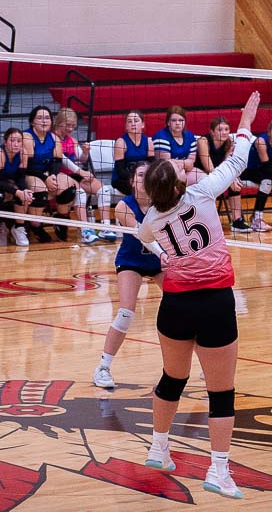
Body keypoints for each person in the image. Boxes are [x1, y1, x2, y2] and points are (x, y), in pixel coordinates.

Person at [138, 91, 261, 500]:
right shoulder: (204, 191)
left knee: (172, 378)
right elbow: (238, 161)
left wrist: (166, 256)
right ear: (178, 183)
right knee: (220, 391)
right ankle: (219, 471)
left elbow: (145, 242)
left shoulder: (152, 218)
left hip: (174, 305)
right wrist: (245, 121)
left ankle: (159, 448)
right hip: (213, 304)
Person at [92, 162, 164, 388]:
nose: (144, 179)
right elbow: (143, 235)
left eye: (148, 175)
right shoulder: (124, 206)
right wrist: (165, 254)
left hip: (159, 262)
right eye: (140, 175)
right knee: (125, 312)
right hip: (131, 261)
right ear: (133, 181)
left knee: (185, 308)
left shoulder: (163, 205)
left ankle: (202, 362)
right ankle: (103, 368)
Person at [21, 106, 79, 243]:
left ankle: (61, 218)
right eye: (40, 118)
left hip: (46, 173)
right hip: (28, 173)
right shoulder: (27, 137)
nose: (44, 121)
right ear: (32, 122)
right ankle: (35, 224)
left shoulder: (54, 137)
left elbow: (57, 162)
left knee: (68, 184)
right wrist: (45, 178)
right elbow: (27, 166)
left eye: (47, 118)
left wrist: (52, 176)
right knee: (39, 188)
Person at [53, 107, 111, 244]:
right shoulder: (53, 138)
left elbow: (81, 159)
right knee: (80, 192)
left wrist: (85, 152)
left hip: (73, 174)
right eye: (68, 125)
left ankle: (106, 228)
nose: (71, 129)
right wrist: (81, 172)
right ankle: (86, 230)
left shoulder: (71, 140)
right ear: (59, 122)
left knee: (104, 190)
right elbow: (63, 159)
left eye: (73, 126)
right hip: (58, 175)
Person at [197, 117, 252, 232]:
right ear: (212, 132)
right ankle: (205, 221)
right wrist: (226, 178)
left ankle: (237, 220)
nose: (224, 132)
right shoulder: (203, 141)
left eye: (226, 129)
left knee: (235, 179)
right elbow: (208, 167)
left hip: (217, 175)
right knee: (228, 179)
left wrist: (231, 178)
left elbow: (228, 165)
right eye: (220, 129)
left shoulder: (229, 142)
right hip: (201, 174)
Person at [152, 106, 199, 184]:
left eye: (181, 120)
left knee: (203, 177)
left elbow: (191, 163)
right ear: (168, 122)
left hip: (185, 171)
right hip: (163, 174)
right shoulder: (161, 136)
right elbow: (166, 164)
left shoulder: (190, 136)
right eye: (174, 120)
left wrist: (177, 162)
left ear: (184, 122)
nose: (177, 123)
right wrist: (184, 163)